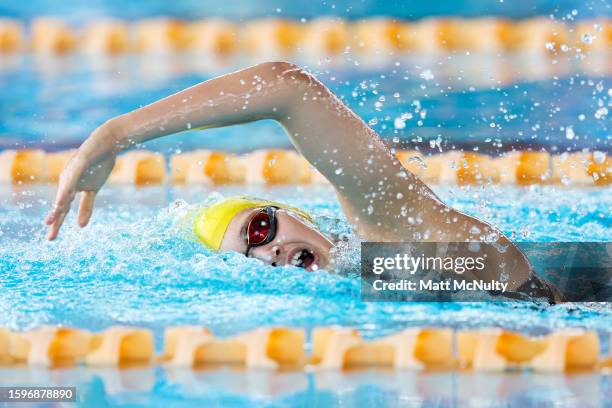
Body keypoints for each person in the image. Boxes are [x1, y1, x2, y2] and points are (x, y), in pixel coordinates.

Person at [44, 61, 562, 302]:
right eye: (247, 262)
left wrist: (115, 134)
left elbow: (286, 89)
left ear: (296, 215)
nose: (266, 253)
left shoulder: (394, 233)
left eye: (258, 229)